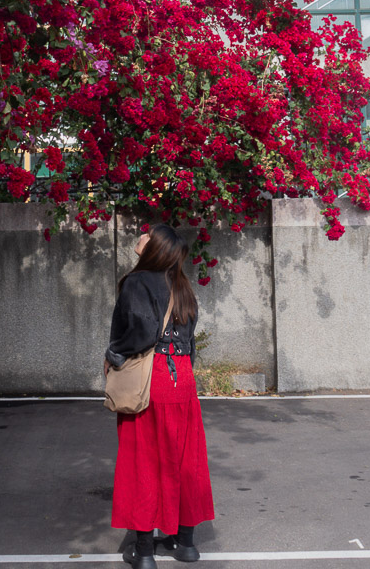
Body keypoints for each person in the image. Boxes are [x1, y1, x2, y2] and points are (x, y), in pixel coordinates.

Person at [104, 223, 214, 568]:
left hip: (151, 378)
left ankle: (144, 551)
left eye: (147, 234)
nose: (141, 236)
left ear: (155, 246)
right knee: (186, 459)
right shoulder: (182, 285)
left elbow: (140, 330)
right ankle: (185, 543)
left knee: (143, 459)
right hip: (182, 377)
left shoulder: (137, 282)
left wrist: (114, 354)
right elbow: (190, 339)